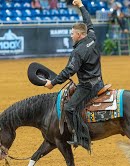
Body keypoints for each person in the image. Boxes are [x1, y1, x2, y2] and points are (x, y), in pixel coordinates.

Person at [44, 0, 104, 151]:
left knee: (70, 108)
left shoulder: (78, 52)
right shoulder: (91, 37)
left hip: (87, 86)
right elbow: (88, 21)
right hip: (99, 81)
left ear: (78, 35)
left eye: (72, 34)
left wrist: (52, 83)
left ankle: (81, 137)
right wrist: (81, 6)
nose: (71, 36)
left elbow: (68, 72)